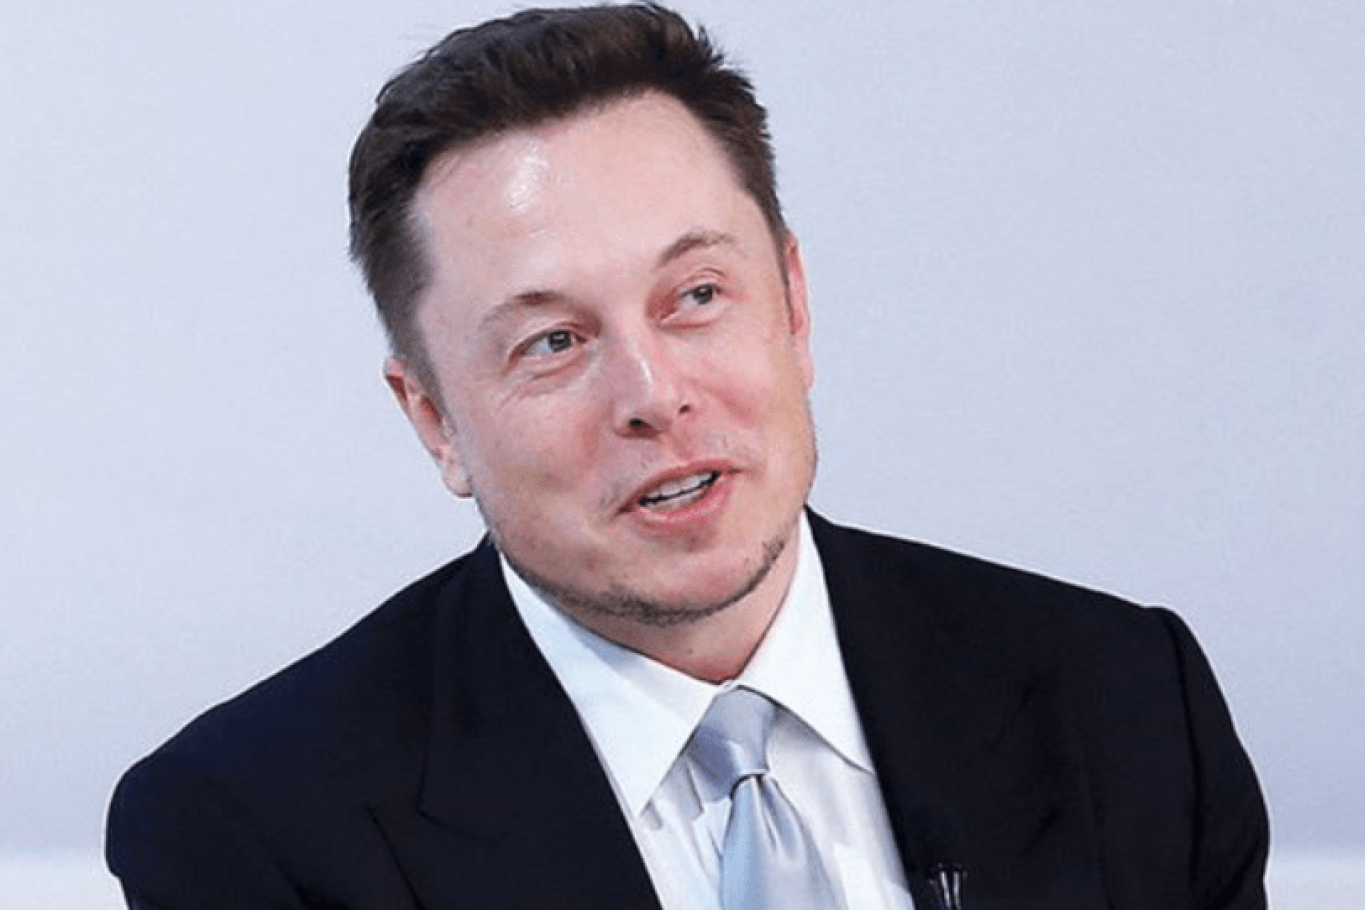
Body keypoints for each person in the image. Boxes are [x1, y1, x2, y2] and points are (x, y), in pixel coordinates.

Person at [105, 5, 1269, 909]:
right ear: (434, 420)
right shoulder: (254, 828)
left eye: (698, 295)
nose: (655, 395)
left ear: (794, 306)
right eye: (553, 343)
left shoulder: (1121, 698)